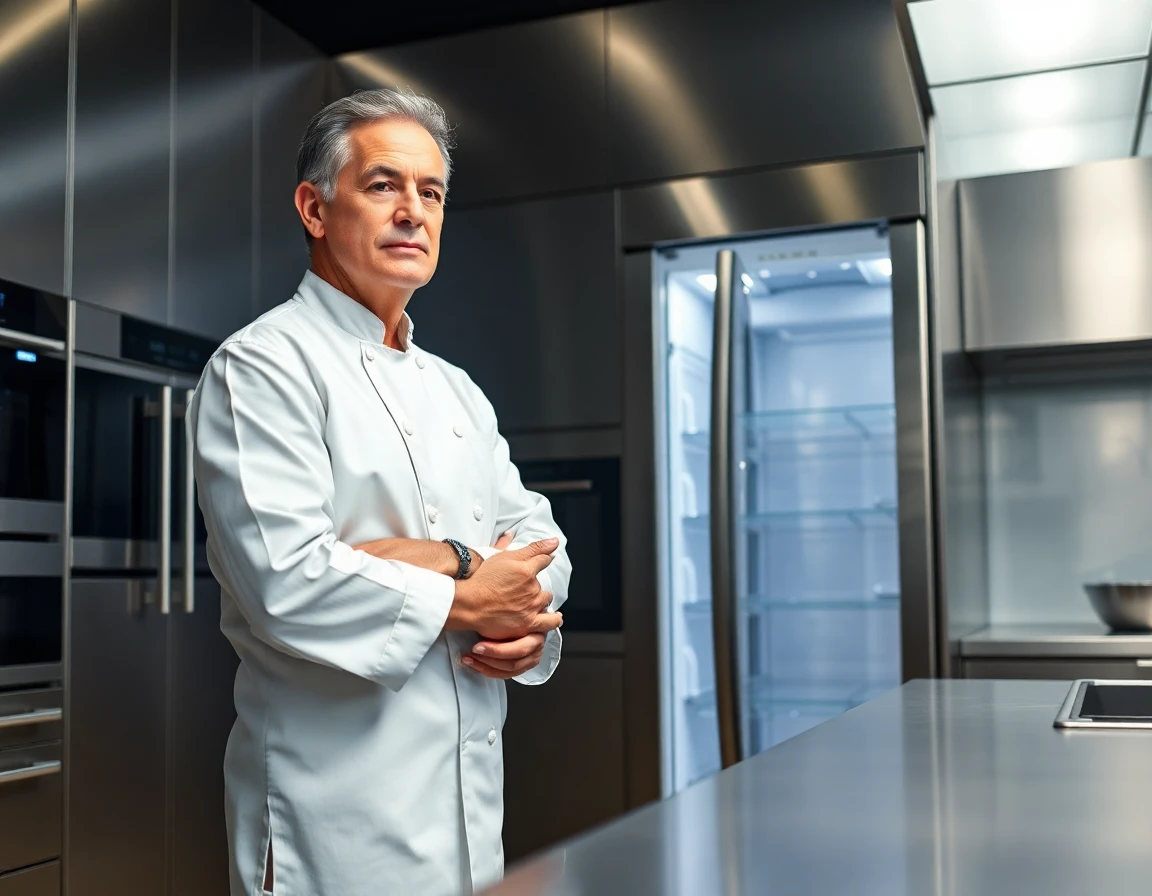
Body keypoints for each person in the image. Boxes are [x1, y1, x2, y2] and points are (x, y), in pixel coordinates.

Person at [189, 87, 570, 896]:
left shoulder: (458, 390)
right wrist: (471, 577)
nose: (413, 212)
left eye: (430, 192)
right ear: (315, 208)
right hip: (330, 821)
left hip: (469, 813)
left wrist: (522, 621)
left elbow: (539, 541)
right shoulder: (262, 367)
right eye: (383, 185)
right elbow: (289, 579)